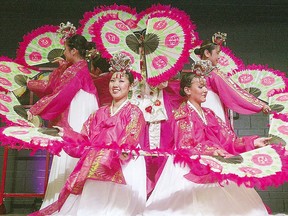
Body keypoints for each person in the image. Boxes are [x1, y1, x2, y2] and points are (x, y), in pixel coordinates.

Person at [144, 62, 272, 216]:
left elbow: (228, 140)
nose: (205, 90)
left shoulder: (209, 114)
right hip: (188, 165)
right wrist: (214, 150)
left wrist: (252, 142)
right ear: (187, 90)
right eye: (200, 87)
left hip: (214, 162)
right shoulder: (182, 115)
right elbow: (185, 145)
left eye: (205, 86)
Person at [29, 53, 147, 216]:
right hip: (96, 164)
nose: (115, 85)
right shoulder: (99, 113)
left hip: (122, 166)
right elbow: (84, 141)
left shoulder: (134, 112)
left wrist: (114, 153)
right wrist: (66, 133)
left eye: (121, 81)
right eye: (113, 80)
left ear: (130, 85)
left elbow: (129, 139)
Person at [27, 33, 99, 208]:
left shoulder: (76, 70)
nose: (64, 53)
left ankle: (68, 201)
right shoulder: (77, 67)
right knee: (78, 146)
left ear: (74, 51)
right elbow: (54, 86)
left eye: (66, 50)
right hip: (83, 106)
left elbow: (59, 94)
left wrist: (36, 109)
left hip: (79, 109)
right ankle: (74, 198)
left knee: (73, 145)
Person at [194, 38, 271, 128]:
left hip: (196, 110)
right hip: (212, 108)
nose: (219, 57)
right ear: (207, 53)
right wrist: (259, 105)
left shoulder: (194, 73)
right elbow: (234, 91)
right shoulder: (214, 73)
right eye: (217, 53)